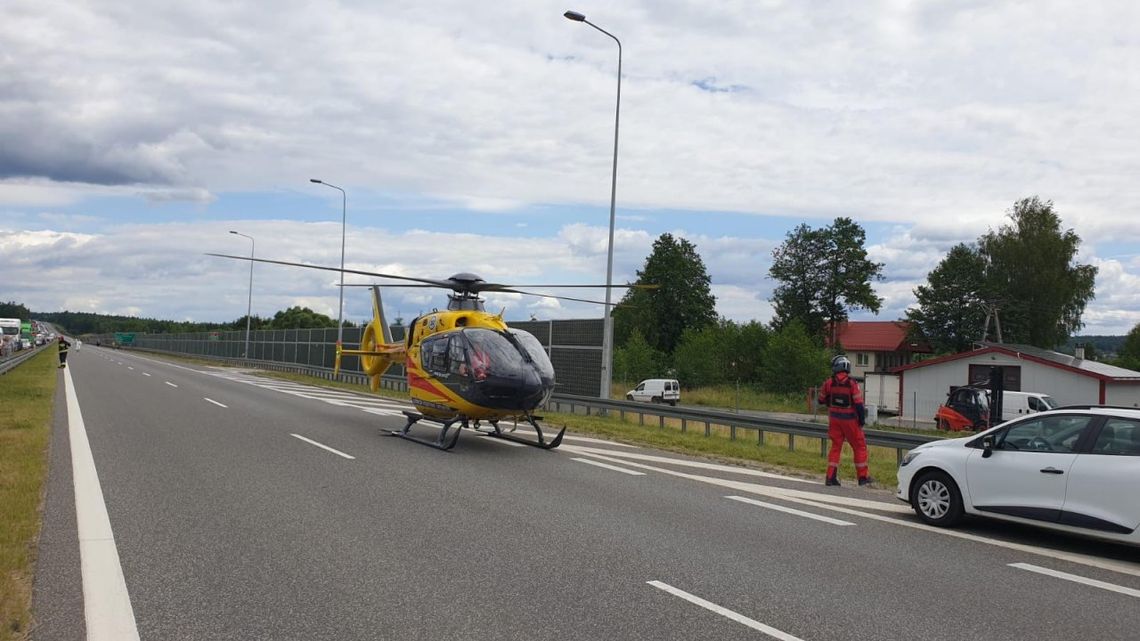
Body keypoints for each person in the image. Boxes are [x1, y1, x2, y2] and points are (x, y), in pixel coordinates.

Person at [817, 354, 872, 486]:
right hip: (850, 420)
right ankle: (862, 478)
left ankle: (830, 477)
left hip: (834, 420)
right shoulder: (852, 384)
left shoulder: (828, 382)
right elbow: (859, 404)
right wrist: (862, 420)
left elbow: (820, 400)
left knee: (835, 447)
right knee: (859, 446)